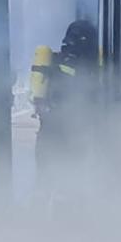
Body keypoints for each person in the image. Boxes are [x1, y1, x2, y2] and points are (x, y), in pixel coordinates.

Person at [34, 19, 99, 176]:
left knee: (45, 178)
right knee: (68, 178)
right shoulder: (84, 68)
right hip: (68, 134)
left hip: (47, 131)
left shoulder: (53, 61)